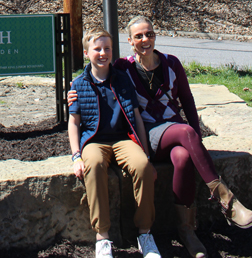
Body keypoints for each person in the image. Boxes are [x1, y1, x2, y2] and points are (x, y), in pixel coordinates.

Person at [69, 16, 252, 258]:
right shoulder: (124, 69)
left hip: (164, 136)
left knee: (184, 157)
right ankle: (225, 199)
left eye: (150, 34)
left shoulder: (168, 65)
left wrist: (195, 139)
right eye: (138, 36)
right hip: (137, 136)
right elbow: (89, 91)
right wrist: (74, 98)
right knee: (184, 132)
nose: (145, 40)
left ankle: (185, 230)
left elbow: (187, 100)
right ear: (130, 41)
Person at [68, 28, 161, 258]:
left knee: (142, 167)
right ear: (86, 53)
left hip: (122, 139)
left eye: (107, 48)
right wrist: (76, 155)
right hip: (93, 141)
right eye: (97, 49)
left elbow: (137, 117)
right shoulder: (79, 84)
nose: (102, 53)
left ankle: (145, 233)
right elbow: (73, 123)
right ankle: (102, 237)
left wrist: (146, 155)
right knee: (95, 165)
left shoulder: (122, 80)